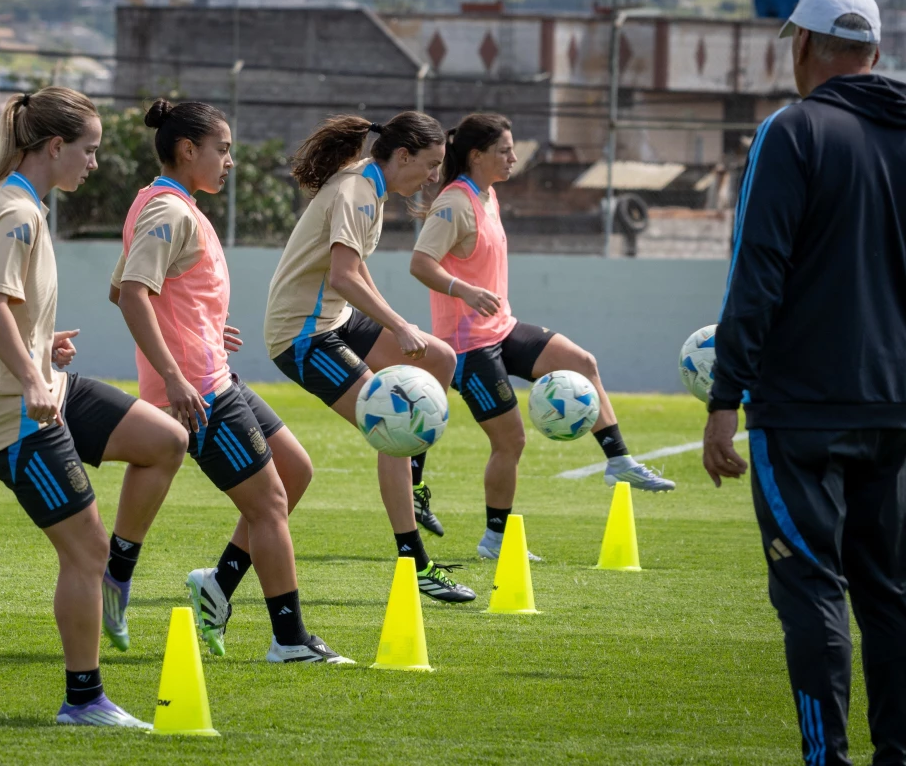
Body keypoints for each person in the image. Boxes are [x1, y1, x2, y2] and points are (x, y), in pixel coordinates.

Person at [702, 0, 906, 765]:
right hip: (896, 412)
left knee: (814, 591)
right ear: (874, 51)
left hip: (804, 413)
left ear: (806, 46)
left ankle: (827, 760)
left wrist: (726, 399)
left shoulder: (793, 131)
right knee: (889, 596)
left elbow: (758, 272)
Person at [0, 87, 188, 728]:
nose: (95, 162)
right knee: (82, 551)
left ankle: (118, 577)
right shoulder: (15, 213)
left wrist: (36, 343)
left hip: (44, 387)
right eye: (90, 149)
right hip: (17, 411)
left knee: (166, 441)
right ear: (56, 147)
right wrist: (29, 372)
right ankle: (83, 701)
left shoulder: (2, 204)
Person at [110, 98, 351, 664]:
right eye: (223, 149)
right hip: (198, 392)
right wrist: (173, 373)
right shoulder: (167, 211)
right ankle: (289, 640)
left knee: (295, 472)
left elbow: (134, 287)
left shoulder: (171, 205)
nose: (230, 162)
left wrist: (202, 327)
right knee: (269, 503)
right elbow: (129, 296)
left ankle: (218, 583)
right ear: (187, 150)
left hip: (214, 374)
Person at [409, 113, 674, 562]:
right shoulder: (454, 203)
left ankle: (618, 462)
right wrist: (465, 290)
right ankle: (494, 540)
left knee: (582, 363)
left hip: (503, 327)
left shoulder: (488, 196)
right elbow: (420, 263)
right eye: (504, 150)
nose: (514, 158)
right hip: (468, 345)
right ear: (477, 156)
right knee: (510, 441)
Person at [264, 111, 475, 603]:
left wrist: (397, 323)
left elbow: (353, 271)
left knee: (438, 358)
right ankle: (416, 565)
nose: (433, 177)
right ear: (402, 155)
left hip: (333, 322)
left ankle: (413, 489)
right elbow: (341, 277)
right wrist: (399, 326)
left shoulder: (368, 184)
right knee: (395, 423)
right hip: (303, 336)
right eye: (429, 165)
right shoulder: (358, 191)